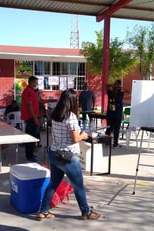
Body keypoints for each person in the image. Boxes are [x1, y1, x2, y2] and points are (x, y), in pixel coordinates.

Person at [38, 89, 100, 221]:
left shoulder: (55, 114)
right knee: (79, 186)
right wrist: (84, 135)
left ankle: (43, 211)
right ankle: (86, 212)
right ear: (72, 101)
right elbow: (75, 139)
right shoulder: (70, 116)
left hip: (54, 153)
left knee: (53, 184)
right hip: (67, 156)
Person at [21, 76, 40, 162]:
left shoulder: (32, 91)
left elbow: (36, 102)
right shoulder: (28, 91)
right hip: (30, 118)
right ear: (32, 82)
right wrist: (35, 118)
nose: (37, 84)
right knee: (30, 137)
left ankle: (31, 154)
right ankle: (29, 156)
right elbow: (29, 105)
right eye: (36, 82)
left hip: (33, 117)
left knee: (33, 136)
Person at [105, 80, 124, 148]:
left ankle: (112, 143)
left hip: (115, 114)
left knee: (114, 129)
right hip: (113, 114)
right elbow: (106, 85)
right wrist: (115, 86)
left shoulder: (120, 93)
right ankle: (109, 142)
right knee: (110, 128)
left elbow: (129, 92)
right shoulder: (111, 93)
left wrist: (119, 87)